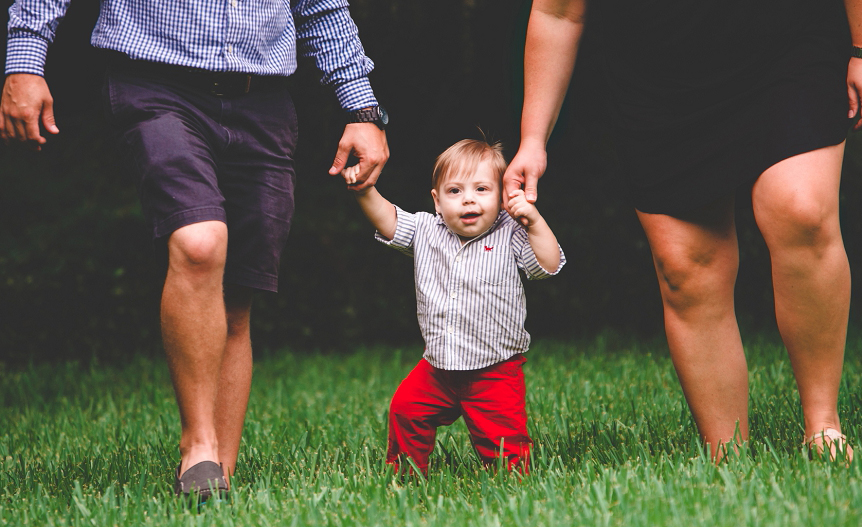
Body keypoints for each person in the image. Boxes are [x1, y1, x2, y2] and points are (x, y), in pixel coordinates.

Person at [1, 0, 389, 500]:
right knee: (200, 242)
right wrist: (25, 59)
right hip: (156, 84)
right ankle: (198, 444)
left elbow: (322, 7)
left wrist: (361, 109)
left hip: (262, 99)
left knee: (237, 296)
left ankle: (215, 481)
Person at [504, 0, 862, 461]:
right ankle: (727, 456)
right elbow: (558, 14)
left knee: (801, 210)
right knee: (687, 267)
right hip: (658, 78)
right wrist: (533, 139)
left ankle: (823, 426)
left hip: (785, 43)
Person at [342, 139, 565, 475]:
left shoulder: (511, 234)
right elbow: (388, 221)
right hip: (438, 368)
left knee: (504, 443)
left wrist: (534, 222)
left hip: (495, 370)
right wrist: (363, 190)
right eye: (455, 191)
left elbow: (547, 266)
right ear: (437, 201)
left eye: (481, 189)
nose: (469, 199)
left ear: (503, 199)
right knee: (406, 411)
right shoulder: (426, 230)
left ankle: (515, 482)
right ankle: (405, 472)